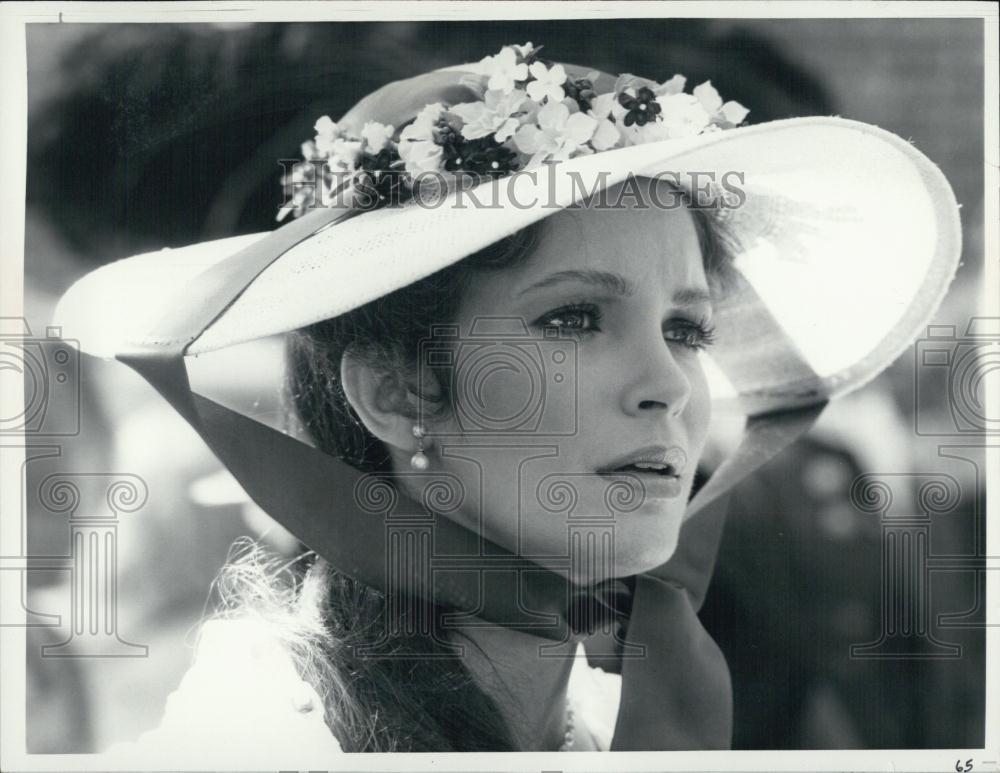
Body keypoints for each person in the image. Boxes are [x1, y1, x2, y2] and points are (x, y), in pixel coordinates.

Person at [54, 42, 961, 762]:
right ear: (397, 387)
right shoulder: (270, 738)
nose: (672, 386)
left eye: (686, 328)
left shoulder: (596, 714)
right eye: (573, 317)